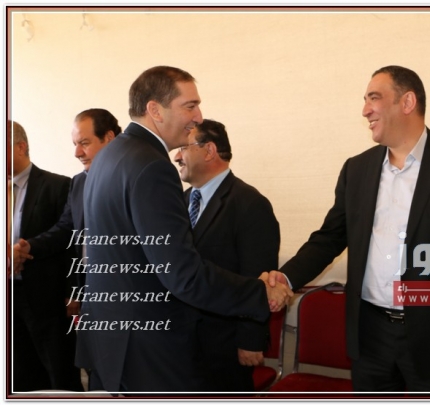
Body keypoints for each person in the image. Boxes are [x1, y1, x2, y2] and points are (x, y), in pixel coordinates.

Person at [268, 65, 430, 393]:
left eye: (374, 98)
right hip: (370, 337)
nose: (365, 110)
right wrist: (286, 277)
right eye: (365, 100)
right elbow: (330, 238)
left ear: (407, 102)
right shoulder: (357, 169)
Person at [76, 66, 292, 393]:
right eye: (190, 106)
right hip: (148, 346)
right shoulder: (152, 166)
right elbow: (181, 273)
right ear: (155, 110)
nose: (198, 117)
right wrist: (259, 293)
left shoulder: (110, 156)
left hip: (112, 339)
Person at [174, 119, 280, 391]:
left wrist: (250, 339)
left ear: (209, 150)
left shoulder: (250, 203)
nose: (177, 157)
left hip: (225, 346)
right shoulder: (181, 201)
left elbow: (258, 277)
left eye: (183, 148)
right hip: (182, 342)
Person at [13, 109, 122, 297]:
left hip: (126, 287)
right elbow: (65, 229)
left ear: (109, 138)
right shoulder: (78, 182)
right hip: (89, 287)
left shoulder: (134, 178)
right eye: (75, 144)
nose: (77, 153)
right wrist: (29, 247)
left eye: (84, 143)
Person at [8, 120, 82, 392]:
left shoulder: (58, 185)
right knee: (19, 376)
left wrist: (74, 290)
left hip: (48, 300)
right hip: (8, 298)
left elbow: (70, 240)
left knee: (60, 374)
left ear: (20, 147)